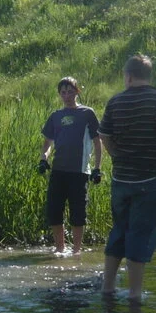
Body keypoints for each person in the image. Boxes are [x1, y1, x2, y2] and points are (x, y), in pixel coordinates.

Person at [98, 54, 156, 300]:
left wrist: (116, 156)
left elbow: (105, 136)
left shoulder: (115, 101)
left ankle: (108, 287)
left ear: (128, 76)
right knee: (140, 233)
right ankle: (134, 294)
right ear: (147, 76)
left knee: (119, 230)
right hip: (148, 180)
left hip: (121, 180)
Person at [38, 76, 102, 255]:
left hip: (79, 171)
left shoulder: (87, 113)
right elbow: (47, 143)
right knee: (54, 210)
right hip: (58, 170)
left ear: (77, 92)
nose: (67, 95)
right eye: (63, 92)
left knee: (78, 212)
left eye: (70, 91)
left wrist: (97, 168)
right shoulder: (55, 116)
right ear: (59, 94)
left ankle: (76, 251)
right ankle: (60, 249)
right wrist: (43, 159)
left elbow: (98, 142)